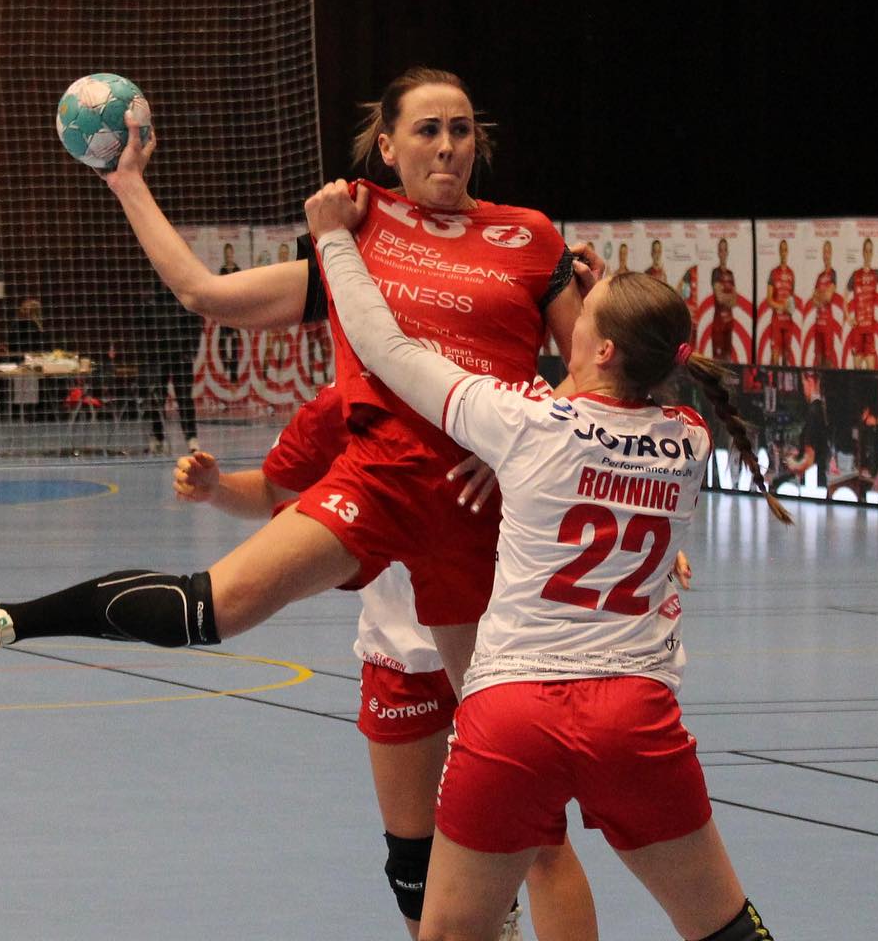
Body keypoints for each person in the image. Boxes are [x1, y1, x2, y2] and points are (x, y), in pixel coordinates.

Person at [0, 66, 596, 926]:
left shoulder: (528, 236)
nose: (447, 146)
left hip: (477, 517)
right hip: (381, 484)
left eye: (461, 129)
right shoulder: (359, 228)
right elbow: (204, 293)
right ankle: (5, 620)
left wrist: (526, 432)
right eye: (427, 129)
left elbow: (595, 372)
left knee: (534, 820)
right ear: (388, 146)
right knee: (217, 606)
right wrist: (128, 184)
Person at [304, 179, 789, 941]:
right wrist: (611, 301)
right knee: (724, 928)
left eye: (582, 316)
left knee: (449, 934)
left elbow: (385, 347)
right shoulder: (689, 440)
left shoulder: (524, 423)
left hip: (513, 714)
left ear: (601, 349)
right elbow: (629, 380)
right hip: (632, 715)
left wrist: (334, 239)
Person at [173, 382, 598, 940]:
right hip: (400, 658)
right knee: (414, 864)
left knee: (542, 843)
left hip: (495, 650)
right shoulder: (346, 400)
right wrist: (217, 489)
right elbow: (273, 488)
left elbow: (587, 474)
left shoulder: (506, 388)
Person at [138, 284, 203, 454]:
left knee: (184, 398)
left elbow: (195, 326)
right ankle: (158, 437)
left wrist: (191, 351)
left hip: (181, 357)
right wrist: (148, 355)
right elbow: (143, 331)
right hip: (158, 357)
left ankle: (192, 439)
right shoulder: (151, 303)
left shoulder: (184, 300)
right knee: (156, 397)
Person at [845, 238, 878, 370]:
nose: (868, 254)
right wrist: (848, 317)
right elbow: (845, 296)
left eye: (870, 251)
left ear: (872, 253)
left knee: (871, 370)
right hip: (857, 329)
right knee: (857, 370)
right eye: (866, 251)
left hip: (870, 329)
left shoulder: (875, 274)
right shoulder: (856, 275)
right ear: (862, 252)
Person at [763, 239, 798, 366]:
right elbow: (769, 299)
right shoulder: (773, 273)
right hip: (777, 321)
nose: (783, 253)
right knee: (775, 358)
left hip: (788, 322)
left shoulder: (791, 274)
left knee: (786, 360)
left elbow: (792, 299)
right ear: (779, 252)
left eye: (785, 250)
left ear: (787, 252)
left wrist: (792, 307)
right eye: (781, 250)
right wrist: (781, 306)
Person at [809, 241, 841, 368]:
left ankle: (830, 380)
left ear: (831, 253)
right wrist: (821, 296)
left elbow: (828, 297)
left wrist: (820, 295)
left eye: (828, 251)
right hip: (818, 323)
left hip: (827, 323)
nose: (826, 255)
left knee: (828, 360)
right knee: (818, 359)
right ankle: (820, 381)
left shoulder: (833, 273)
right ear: (822, 254)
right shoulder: (820, 276)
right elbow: (813, 300)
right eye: (824, 252)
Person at [215, 242, 243, 383]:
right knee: (223, 341)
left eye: (230, 254)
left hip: (236, 312)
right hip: (225, 311)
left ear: (233, 254)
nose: (228, 256)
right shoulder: (222, 270)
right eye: (226, 254)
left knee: (234, 343)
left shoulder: (238, 270)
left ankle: (234, 373)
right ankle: (225, 364)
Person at [708, 237, 737, 361]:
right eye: (721, 250)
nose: (723, 253)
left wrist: (727, 296)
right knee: (717, 361)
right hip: (718, 323)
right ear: (718, 253)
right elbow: (719, 298)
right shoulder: (715, 273)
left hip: (729, 322)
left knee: (728, 359)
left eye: (725, 250)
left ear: (727, 252)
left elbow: (735, 301)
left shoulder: (730, 274)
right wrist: (728, 297)